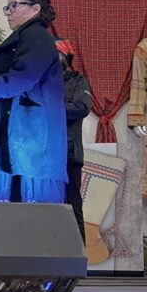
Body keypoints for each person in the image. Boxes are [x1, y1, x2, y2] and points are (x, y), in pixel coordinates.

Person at [0, 0, 66, 203]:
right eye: (7, 7)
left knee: (34, 214)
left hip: (32, 143)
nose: (9, 12)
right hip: (18, 138)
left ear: (35, 9)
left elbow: (21, 78)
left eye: (14, 5)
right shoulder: (26, 37)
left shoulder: (37, 37)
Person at [57, 39, 91, 243]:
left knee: (72, 205)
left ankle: (79, 260)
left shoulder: (78, 81)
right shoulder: (38, 82)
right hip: (41, 156)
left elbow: (82, 108)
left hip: (69, 155)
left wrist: (49, 107)